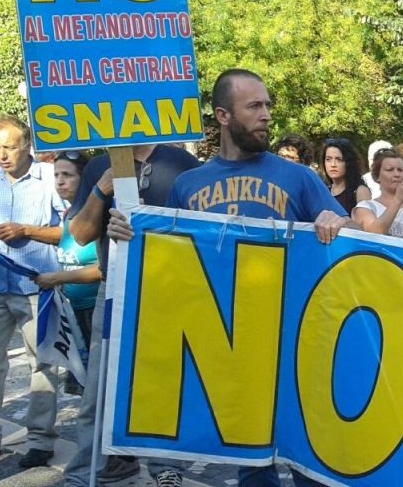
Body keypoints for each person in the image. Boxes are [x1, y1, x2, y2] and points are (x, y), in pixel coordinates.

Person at [107, 68, 353, 487]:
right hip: (224, 345)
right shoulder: (188, 184)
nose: (266, 115)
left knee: (308, 459)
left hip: (293, 341)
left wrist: (338, 220)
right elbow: (168, 256)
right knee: (251, 462)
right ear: (223, 115)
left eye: (268, 105)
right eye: (254, 106)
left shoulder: (297, 177)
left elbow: (352, 229)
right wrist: (129, 235)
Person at [62, 142, 201, 487]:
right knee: (97, 391)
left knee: (163, 390)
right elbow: (79, 235)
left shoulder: (183, 163)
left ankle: (165, 467)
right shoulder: (99, 166)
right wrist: (101, 189)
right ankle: (83, 474)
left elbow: (202, 226)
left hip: (169, 292)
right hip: (114, 294)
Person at [0, 116, 62, 468]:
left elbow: (74, 230)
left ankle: (41, 440)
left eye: (10, 147)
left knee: (42, 364)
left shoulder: (50, 180)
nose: (2, 155)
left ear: (27, 145)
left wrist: (25, 231)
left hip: (37, 285)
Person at [34, 151, 101, 395]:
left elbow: (104, 268)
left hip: (95, 312)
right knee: (83, 390)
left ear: (84, 179)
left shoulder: (97, 216)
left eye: (67, 175)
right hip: (73, 312)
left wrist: (58, 278)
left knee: (97, 387)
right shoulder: (67, 213)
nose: (60, 181)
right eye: (56, 175)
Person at [321, 137, 371, 214]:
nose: (333, 165)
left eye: (339, 159)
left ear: (349, 162)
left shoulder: (360, 191)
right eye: (328, 159)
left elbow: (367, 224)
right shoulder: (323, 191)